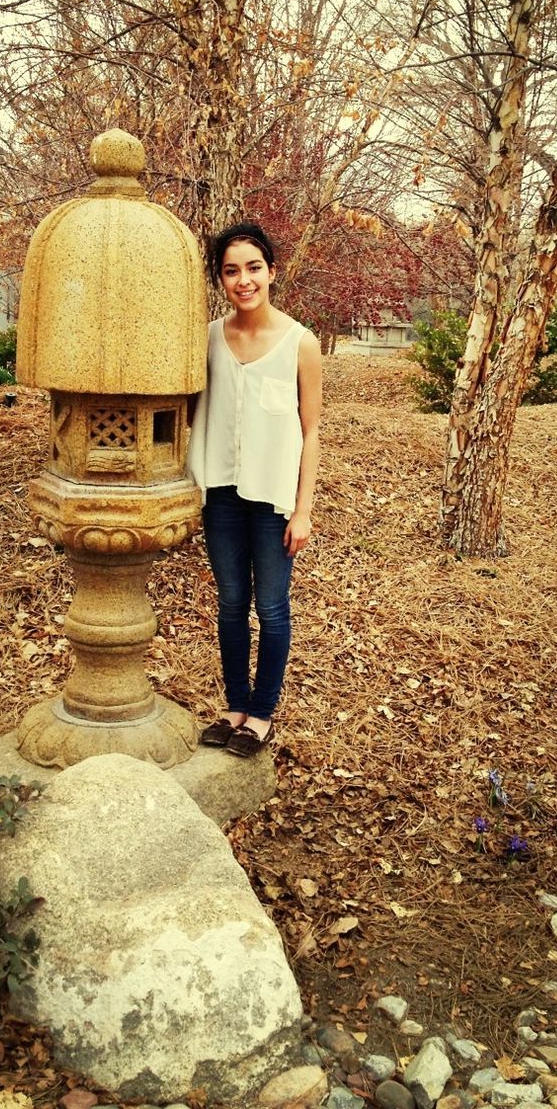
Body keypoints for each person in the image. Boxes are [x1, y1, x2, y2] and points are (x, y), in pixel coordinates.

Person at [186, 222, 322, 758]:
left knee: (271, 606)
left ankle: (261, 714)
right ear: (221, 279)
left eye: (253, 268)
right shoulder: (211, 339)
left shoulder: (299, 342)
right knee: (229, 604)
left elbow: (311, 430)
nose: (244, 280)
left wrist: (303, 510)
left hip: (272, 500)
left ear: (271, 271)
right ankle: (234, 708)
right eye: (231, 270)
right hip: (220, 493)